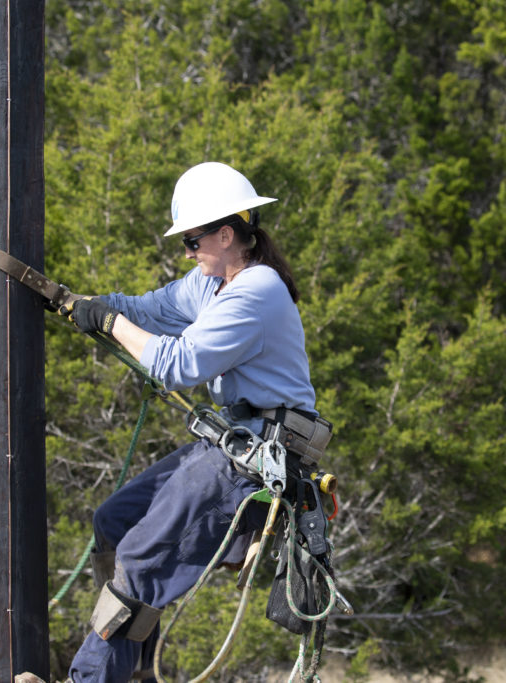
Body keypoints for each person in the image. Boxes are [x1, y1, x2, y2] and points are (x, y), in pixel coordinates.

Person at [64, 162, 326, 683]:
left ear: (225, 234)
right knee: (114, 524)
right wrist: (80, 305)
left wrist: (112, 325)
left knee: (140, 555)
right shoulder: (209, 285)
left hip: (260, 456)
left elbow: (178, 365)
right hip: (232, 445)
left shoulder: (257, 290)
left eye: (192, 241)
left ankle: (91, 679)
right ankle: (130, 669)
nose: (186, 251)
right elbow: (150, 310)